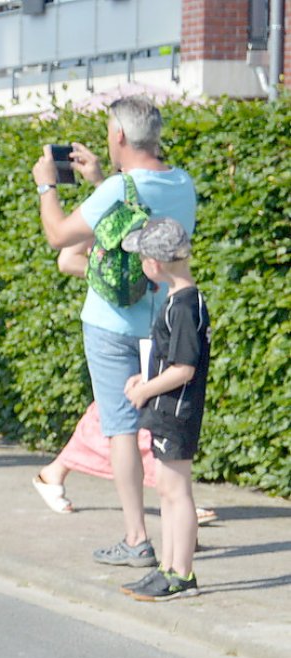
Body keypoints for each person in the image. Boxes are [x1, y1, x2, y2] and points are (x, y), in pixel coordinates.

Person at [32, 95, 196, 569]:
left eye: (109, 130)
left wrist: (48, 187)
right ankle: (177, 532)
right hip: (161, 319)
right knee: (164, 424)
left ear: (119, 136)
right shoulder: (183, 184)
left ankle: (136, 538)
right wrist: (101, 179)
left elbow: (60, 235)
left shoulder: (117, 188)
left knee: (121, 427)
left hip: (109, 323)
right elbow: (140, 222)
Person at [116, 219, 208, 601]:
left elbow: (184, 368)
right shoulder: (178, 299)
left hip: (177, 411)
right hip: (167, 407)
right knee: (167, 491)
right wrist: (144, 379)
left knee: (176, 491)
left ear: (154, 262)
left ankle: (181, 573)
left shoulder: (185, 305)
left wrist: (146, 390)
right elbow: (170, 359)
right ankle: (169, 567)